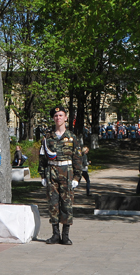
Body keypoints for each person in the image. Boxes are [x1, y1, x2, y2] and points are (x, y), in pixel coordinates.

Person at [39, 105, 83, 245]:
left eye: (60, 115)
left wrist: (77, 177)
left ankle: (65, 235)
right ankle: (55, 234)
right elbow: (43, 158)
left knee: (67, 204)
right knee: (53, 204)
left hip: (67, 172)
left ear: (65, 118)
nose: (58, 118)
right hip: (52, 172)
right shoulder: (48, 138)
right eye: (56, 116)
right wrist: (42, 176)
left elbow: (77, 158)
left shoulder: (72, 137)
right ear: (53, 118)